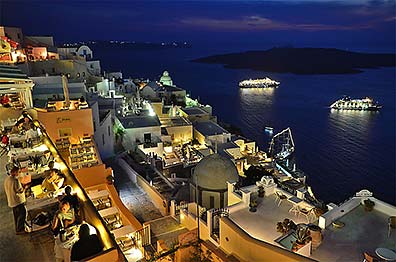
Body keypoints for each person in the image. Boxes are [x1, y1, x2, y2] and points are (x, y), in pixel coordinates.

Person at [4, 166, 30, 234]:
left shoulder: (7, 179)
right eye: (18, 172)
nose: (19, 173)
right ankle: (20, 229)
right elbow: (20, 190)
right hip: (18, 201)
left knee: (16, 216)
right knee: (23, 213)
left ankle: (17, 229)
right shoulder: (15, 180)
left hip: (11, 201)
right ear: (15, 172)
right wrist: (25, 187)